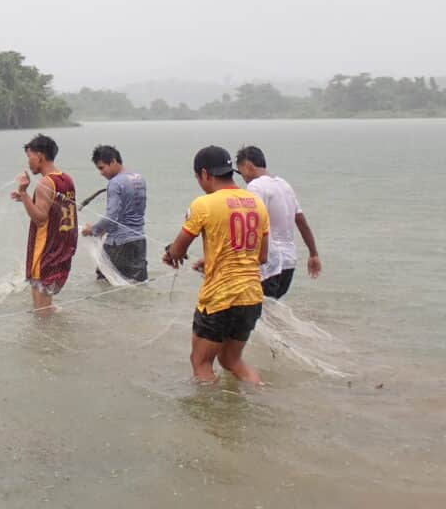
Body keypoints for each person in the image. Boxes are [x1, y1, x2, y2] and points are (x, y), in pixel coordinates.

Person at [162, 146, 269, 384]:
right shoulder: (257, 204)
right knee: (232, 361)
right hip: (251, 297)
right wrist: (212, 259)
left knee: (201, 362)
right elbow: (261, 257)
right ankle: (262, 393)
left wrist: (171, 253)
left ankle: (212, 420)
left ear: (204, 174)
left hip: (219, 299)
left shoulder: (204, 204)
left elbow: (178, 250)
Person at [235, 145, 321, 299]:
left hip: (270, 265)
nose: (243, 178)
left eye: (241, 172)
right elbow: (301, 222)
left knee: (257, 314)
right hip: (289, 263)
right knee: (269, 311)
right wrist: (313, 253)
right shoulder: (284, 185)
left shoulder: (255, 186)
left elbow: (252, 224)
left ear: (248, 166)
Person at [11, 134, 78, 315]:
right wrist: (27, 200)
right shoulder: (66, 179)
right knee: (47, 306)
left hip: (46, 250)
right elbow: (54, 209)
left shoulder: (44, 183)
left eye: (30, 157)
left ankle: (46, 340)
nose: (29, 162)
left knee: (42, 312)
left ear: (40, 156)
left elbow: (40, 218)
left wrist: (24, 193)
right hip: (62, 249)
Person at [80, 145, 148, 282]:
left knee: (105, 283)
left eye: (102, 167)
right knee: (137, 285)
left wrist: (92, 230)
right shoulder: (139, 178)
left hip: (118, 244)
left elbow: (111, 218)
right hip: (139, 241)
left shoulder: (115, 183)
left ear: (113, 161)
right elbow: (129, 213)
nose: (101, 173)